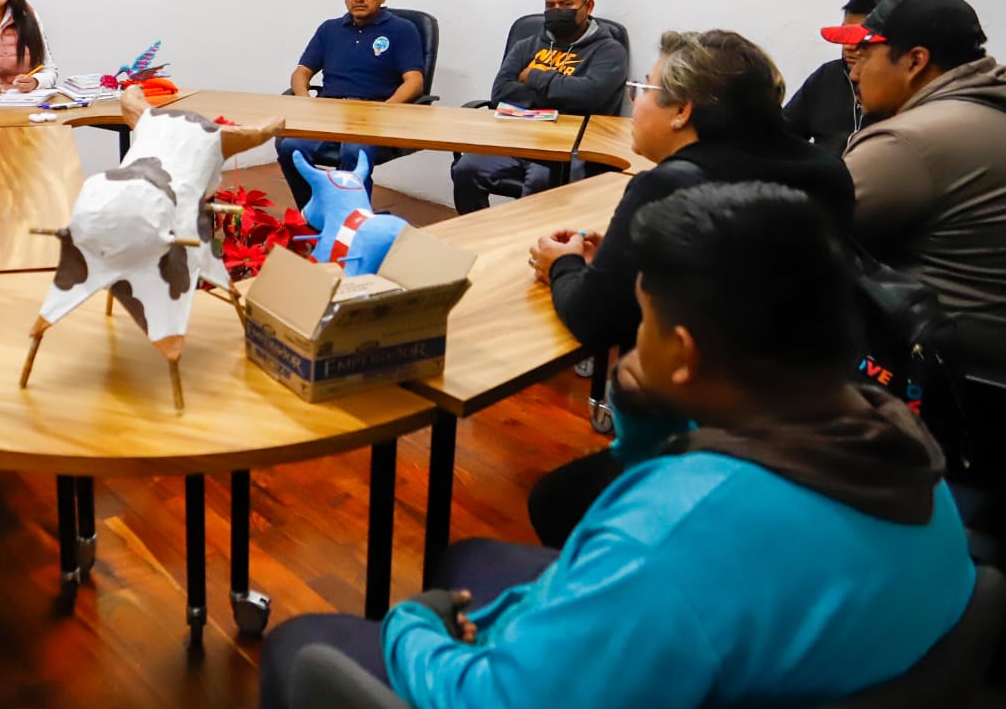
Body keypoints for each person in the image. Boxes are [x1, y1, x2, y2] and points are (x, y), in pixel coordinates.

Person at [260, 182, 977, 709]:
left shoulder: (665, 540)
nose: (634, 339)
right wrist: (642, 408)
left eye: (645, 321)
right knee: (471, 558)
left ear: (686, 352)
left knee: (303, 646)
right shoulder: (893, 437)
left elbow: (495, 698)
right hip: (805, 656)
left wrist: (415, 626)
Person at [521, 29, 855, 546]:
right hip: (814, 412)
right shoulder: (826, 170)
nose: (636, 101)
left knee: (554, 501)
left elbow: (594, 318)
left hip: (702, 427)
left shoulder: (669, 183)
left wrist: (561, 264)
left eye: (645, 87)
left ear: (683, 111)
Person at [829, 0, 1006, 489]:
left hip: (948, 389)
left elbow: (795, 234)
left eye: (865, 51)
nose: (853, 67)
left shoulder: (910, 141)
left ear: (915, 61)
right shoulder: (989, 106)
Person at [449, 0, 627, 213]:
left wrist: (532, 76)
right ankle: (477, 237)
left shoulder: (609, 50)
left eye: (566, 4)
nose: (557, 11)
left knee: (542, 184)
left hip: (567, 148)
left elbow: (588, 96)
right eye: (550, 5)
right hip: (518, 137)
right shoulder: (528, 45)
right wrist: (560, 95)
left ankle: (530, 247)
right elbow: (500, 93)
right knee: (466, 170)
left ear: (588, 6)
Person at [277, 0, 425, 209]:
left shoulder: (402, 30)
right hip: (327, 112)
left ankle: (353, 223)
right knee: (291, 147)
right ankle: (314, 214)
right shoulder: (329, 29)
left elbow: (415, 81)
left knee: (353, 153)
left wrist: (385, 109)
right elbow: (301, 73)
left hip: (372, 115)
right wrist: (304, 101)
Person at [783, 0, 884, 156]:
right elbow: (781, 136)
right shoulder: (827, 76)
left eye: (862, 37)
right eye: (845, 32)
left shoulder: (904, 88)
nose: (849, 46)